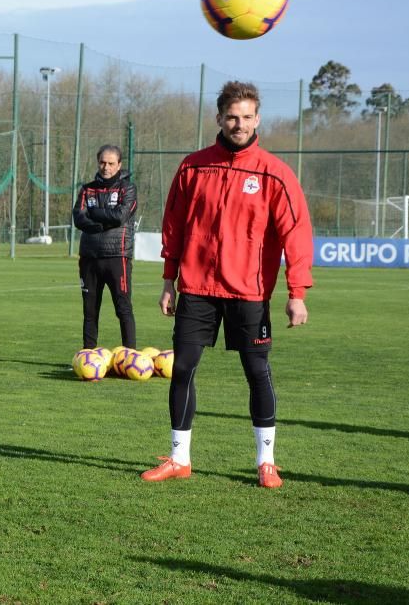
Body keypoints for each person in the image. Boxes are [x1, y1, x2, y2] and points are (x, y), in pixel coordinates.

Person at [142, 80, 313, 489]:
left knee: (257, 372)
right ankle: (179, 458)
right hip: (197, 287)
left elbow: (297, 233)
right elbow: (174, 227)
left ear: (258, 119)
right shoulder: (194, 166)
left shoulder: (274, 173)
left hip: (248, 293)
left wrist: (297, 293)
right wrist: (169, 280)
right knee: (182, 368)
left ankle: (266, 461)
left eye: (247, 117)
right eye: (232, 117)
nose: (239, 124)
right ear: (219, 118)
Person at [71, 144, 138, 349]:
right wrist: (101, 222)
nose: (105, 167)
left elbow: (119, 217)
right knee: (90, 310)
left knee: (123, 308)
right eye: (102, 162)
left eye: (110, 163)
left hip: (117, 256)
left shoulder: (128, 188)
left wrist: (94, 214)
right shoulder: (87, 189)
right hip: (89, 257)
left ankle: (130, 356)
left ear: (119, 165)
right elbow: (78, 217)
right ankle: (88, 355)